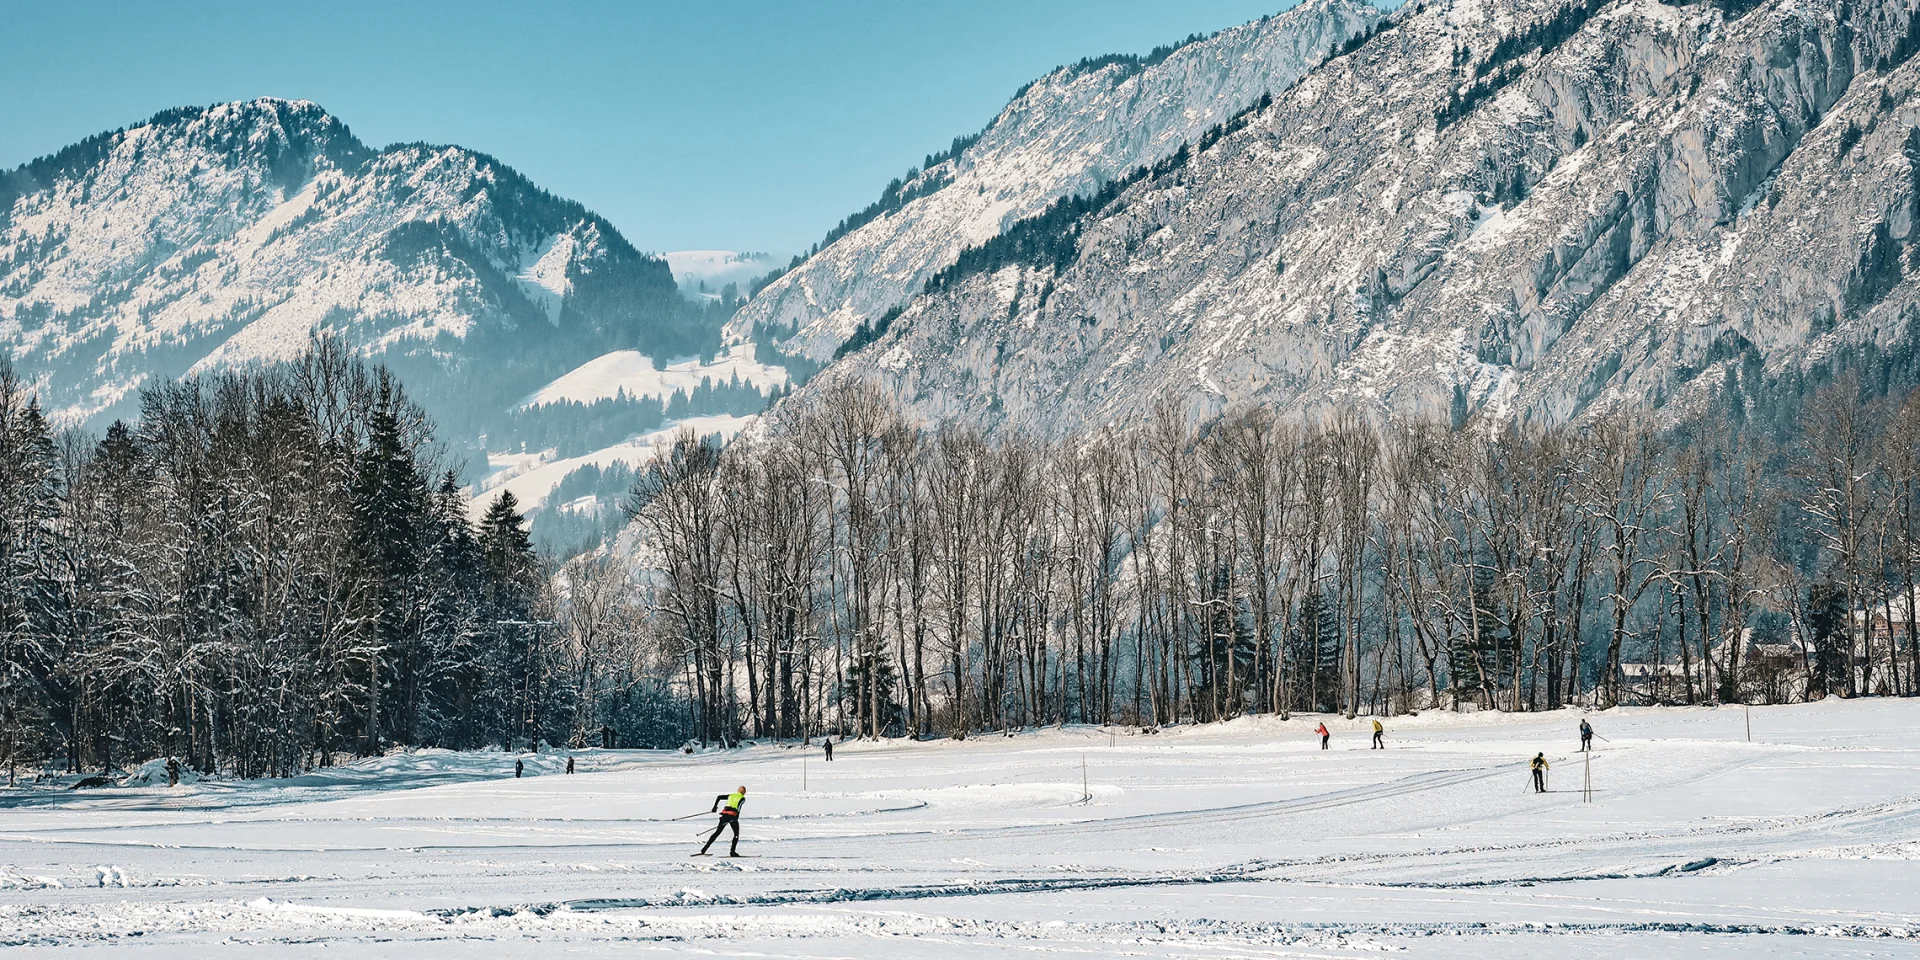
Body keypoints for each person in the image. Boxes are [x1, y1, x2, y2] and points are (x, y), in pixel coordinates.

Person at [698, 785, 748, 857]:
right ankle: (732, 852)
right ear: (744, 792)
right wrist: (735, 818)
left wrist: (714, 807)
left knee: (717, 833)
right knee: (736, 834)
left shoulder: (731, 795)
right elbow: (739, 808)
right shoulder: (742, 798)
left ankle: (704, 849)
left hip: (724, 815)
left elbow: (719, 797)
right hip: (732, 816)